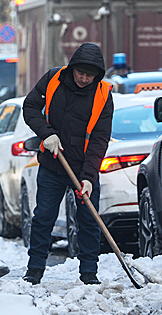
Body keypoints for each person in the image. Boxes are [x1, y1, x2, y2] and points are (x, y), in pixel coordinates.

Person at [22, 42, 113, 285]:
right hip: (53, 165)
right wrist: (46, 133)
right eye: (80, 73)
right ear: (72, 68)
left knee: (89, 220)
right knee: (43, 218)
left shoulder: (103, 95)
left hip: (83, 168)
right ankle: (34, 270)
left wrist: (89, 176)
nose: (84, 78)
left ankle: (89, 273)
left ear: (98, 75)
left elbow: (99, 138)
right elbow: (30, 107)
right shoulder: (53, 79)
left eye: (89, 75)